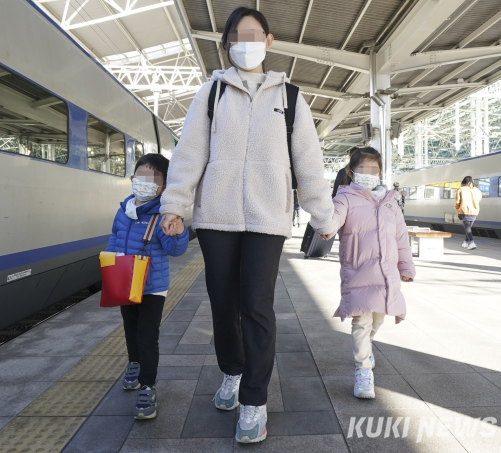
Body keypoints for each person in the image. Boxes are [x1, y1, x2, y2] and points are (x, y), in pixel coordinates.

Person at [159, 6, 337, 443]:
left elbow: (309, 163)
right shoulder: (211, 94)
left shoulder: (291, 97)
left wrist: (323, 215)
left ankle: (254, 401)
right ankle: (232, 372)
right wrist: (174, 205)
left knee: (256, 306)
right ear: (226, 45)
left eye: (254, 34)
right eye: (237, 36)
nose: (246, 42)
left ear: (269, 41)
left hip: (267, 218)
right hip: (217, 216)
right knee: (223, 303)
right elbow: (188, 155)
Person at [106, 153, 190, 419]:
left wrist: (178, 232)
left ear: (163, 187)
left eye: (153, 179)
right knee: (130, 329)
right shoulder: (123, 211)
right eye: (141, 177)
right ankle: (134, 364)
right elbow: (114, 240)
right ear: (132, 179)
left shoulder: (163, 215)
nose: (145, 183)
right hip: (124, 281)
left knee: (147, 336)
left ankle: (148, 386)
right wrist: (109, 269)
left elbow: (175, 250)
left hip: (153, 286)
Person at [332, 147, 415, 400]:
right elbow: (332, 220)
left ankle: (366, 350)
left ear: (380, 173)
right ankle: (362, 370)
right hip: (358, 272)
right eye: (363, 169)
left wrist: (406, 266)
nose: (369, 174)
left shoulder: (390, 201)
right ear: (351, 172)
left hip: (386, 274)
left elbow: (401, 237)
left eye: (374, 170)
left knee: (378, 320)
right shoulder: (344, 198)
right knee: (362, 321)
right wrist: (323, 226)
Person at [455, 176, 482, 250]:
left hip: (464, 210)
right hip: (474, 211)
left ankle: (472, 243)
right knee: (468, 228)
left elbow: (457, 202)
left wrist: (457, 209)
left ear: (464, 182)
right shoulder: (477, 190)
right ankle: (465, 243)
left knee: (467, 228)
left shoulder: (461, 189)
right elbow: (479, 199)